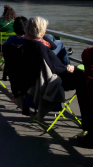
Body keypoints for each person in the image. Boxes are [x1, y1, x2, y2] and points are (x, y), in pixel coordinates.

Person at [22, 17, 92, 146]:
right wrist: (69, 68)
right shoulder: (39, 46)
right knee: (84, 83)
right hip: (55, 79)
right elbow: (52, 68)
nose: (46, 30)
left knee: (84, 81)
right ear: (40, 30)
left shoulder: (28, 42)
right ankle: (87, 123)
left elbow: (53, 47)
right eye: (44, 28)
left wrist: (44, 37)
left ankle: (88, 124)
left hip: (36, 79)